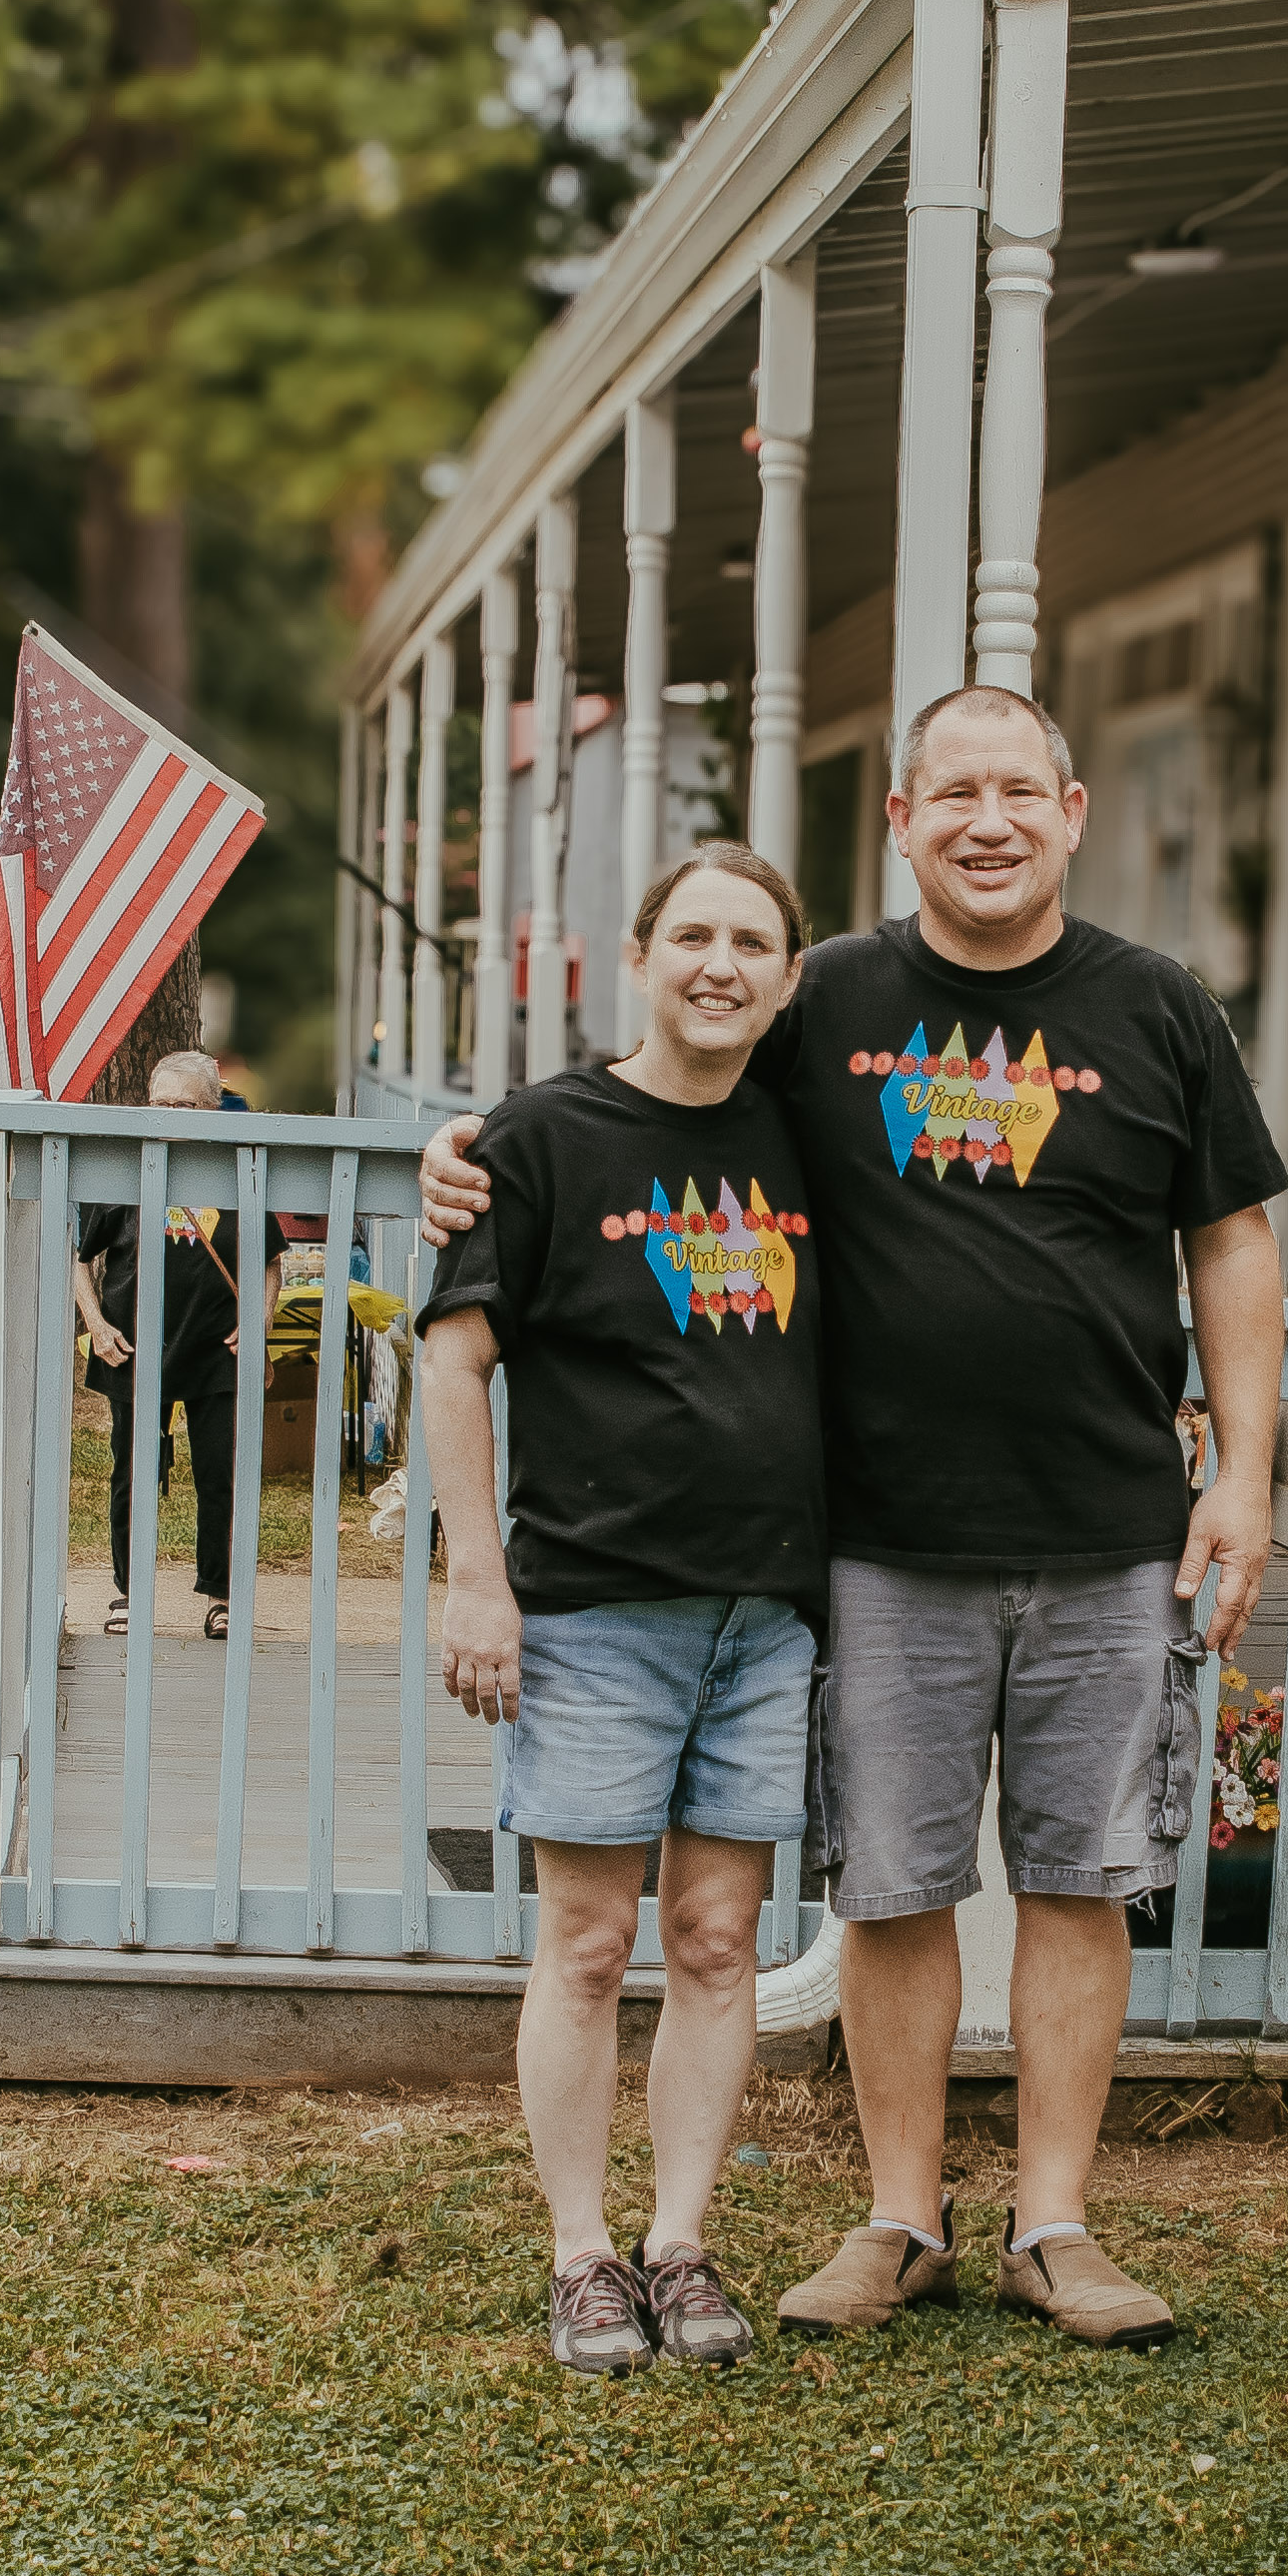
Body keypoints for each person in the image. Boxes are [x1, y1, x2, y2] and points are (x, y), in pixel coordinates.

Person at [421, 684, 1284, 2349]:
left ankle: (1053, 2222)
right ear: (897, 819)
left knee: (1077, 1877)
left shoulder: (1161, 1007)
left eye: (1015, 790)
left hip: (1107, 1522)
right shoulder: (825, 1003)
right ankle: (899, 2217)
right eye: (948, 789)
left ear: (1072, 808)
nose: (985, 818)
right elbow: (656, 1084)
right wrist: (470, 1152)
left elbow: (1231, 1242)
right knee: (888, 1888)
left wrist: (1241, 1469)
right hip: (875, 1541)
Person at [419, 848, 826, 2378]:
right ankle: (582, 2255)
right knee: (588, 1943)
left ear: (789, 981)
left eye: (754, 944)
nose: (721, 964)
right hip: (596, 1607)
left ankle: (681, 2241)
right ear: (639, 954)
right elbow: (456, 1361)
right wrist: (478, 1577)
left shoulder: (808, 1141)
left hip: (766, 1613)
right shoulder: (536, 1140)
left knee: (721, 1939)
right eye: (694, 936)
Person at [74, 1050, 242, 1637]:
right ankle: (128, 1592)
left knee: (219, 1475)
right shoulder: (123, 1168)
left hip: (215, 1348)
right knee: (132, 1473)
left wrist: (260, 1320)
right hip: (134, 1350)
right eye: (161, 1103)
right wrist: (95, 1324)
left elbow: (269, 1260)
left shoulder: (234, 1168)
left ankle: (222, 1596)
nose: (170, 1115)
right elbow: (77, 1258)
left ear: (213, 1108)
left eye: (186, 1105)